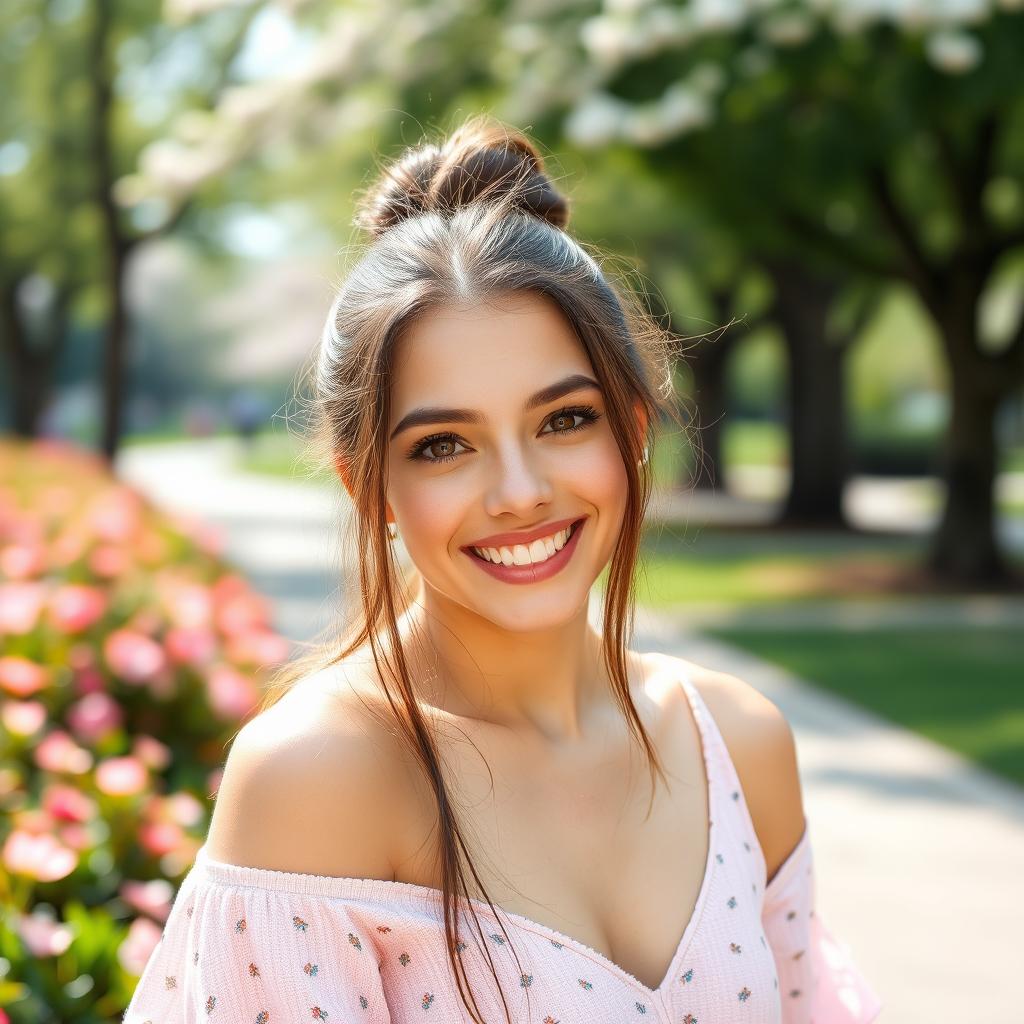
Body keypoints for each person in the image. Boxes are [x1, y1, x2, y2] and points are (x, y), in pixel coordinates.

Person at [122, 115, 882, 1024]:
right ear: (369, 486)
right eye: (445, 445)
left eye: (564, 419)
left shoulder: (738, 745)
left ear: (633, 430)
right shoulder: (318, 779)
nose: (519, 493)